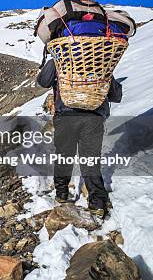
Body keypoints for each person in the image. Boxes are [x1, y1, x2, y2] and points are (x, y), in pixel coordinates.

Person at [37, 59, 123, 218]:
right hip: (93, 116)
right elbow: (116, 95)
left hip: (65, 115)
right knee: (90, 159)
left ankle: (62, 194)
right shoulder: (100, 58)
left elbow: (43, 81)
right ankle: (97, 203)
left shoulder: (59, 56)